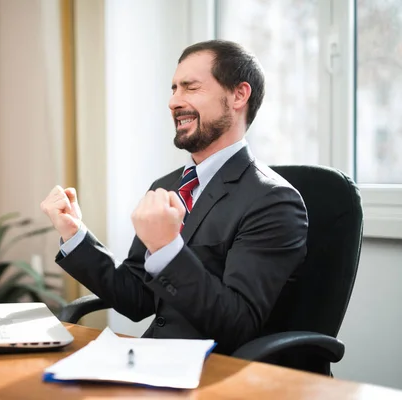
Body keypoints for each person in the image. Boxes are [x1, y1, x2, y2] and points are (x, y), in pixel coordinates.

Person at [40, 40, 308, 355]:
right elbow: (137, 299)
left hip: (217, 372)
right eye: (173, 89)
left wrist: (168, 248)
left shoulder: (274, 202)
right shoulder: (168, 186)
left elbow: (238, 325)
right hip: (153, 363)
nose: (173, 101)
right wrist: (74, 234)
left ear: (239, 95)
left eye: (190, 88)